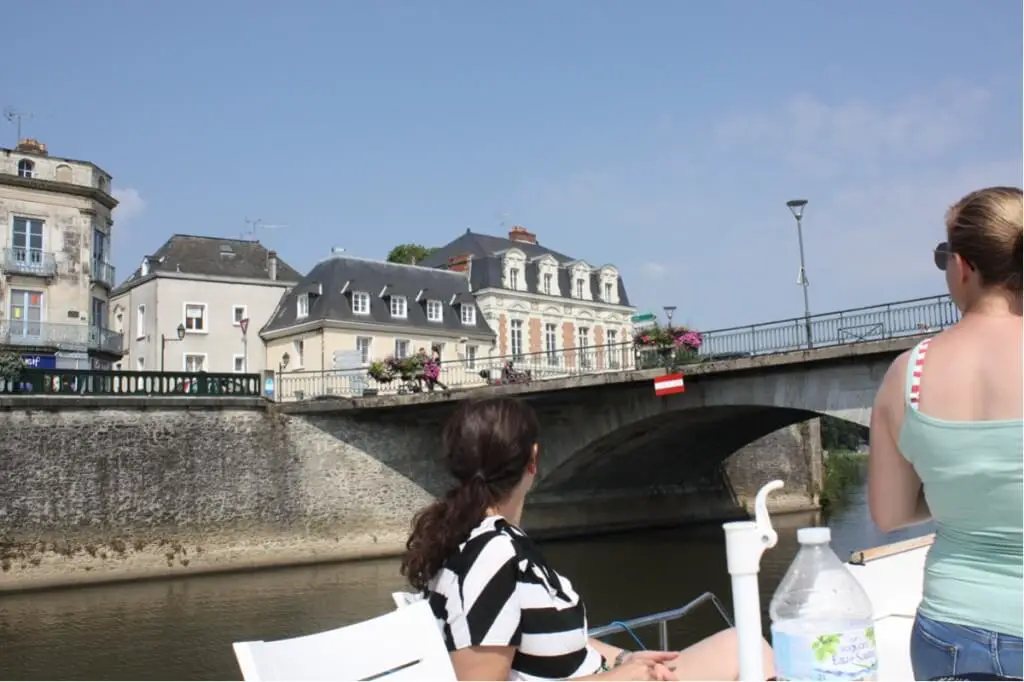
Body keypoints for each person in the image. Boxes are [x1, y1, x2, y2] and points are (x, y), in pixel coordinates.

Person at [401, 396, 775, 681]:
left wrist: (623, 659)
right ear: (533, 459)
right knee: (749, 652)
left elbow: (551, 640)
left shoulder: (481, 540)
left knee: (741, 644)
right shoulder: (490, 554)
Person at [867, 186, 1023, 680]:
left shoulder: (906, 375)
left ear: (962, 266)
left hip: (950, 630)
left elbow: (889, 515)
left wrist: (962, 491)